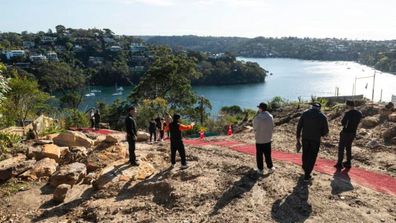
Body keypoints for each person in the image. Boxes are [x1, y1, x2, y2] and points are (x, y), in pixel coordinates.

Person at [296, 102, 329, 182]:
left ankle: (305, 168)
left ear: (312, 107)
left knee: (305, 154)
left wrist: (298, 138)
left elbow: (299, 126)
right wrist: (320, 133)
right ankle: (307, 176)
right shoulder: (322, 117)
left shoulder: (305, 114)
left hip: (305, 139)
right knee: (312, 157)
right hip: (315, 140)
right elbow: (325, 132)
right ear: (319, 108)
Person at [335, 100, 362, 169]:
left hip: (346, 132)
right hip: (353, 132)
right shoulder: (359, 113)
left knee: (341, 148)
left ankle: (339, 163)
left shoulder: (347, 113)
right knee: (348, 147)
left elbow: (343, 123)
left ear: (348, 105)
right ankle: (348, 162)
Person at [253, 102, 275, 175]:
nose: (258, 109)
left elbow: (254, 128)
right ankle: (270, 168)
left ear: (261, 109)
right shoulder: (270, 116)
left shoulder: (257, 118)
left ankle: (260, 169)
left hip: (259, 140)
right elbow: (272, 127)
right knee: (268, 155)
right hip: (268, 139)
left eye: (259, 108)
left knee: (259, 155)